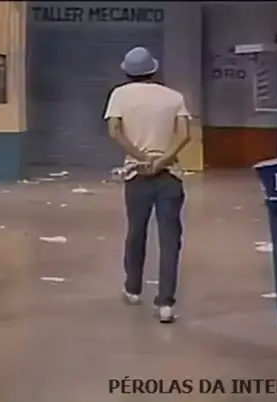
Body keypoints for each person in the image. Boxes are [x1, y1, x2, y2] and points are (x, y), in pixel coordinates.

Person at [103, 47, 192, 324]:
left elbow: (114, 131)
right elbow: (185, 135)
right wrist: (162, 160)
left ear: (127, 72)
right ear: (154, 69)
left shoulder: (119, 95)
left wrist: (142, 157)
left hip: (136, 174)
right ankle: (165, 304)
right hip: (170, 175)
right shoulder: (174, 97)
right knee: (170, 239)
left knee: (136, 232)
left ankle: (132, 289)